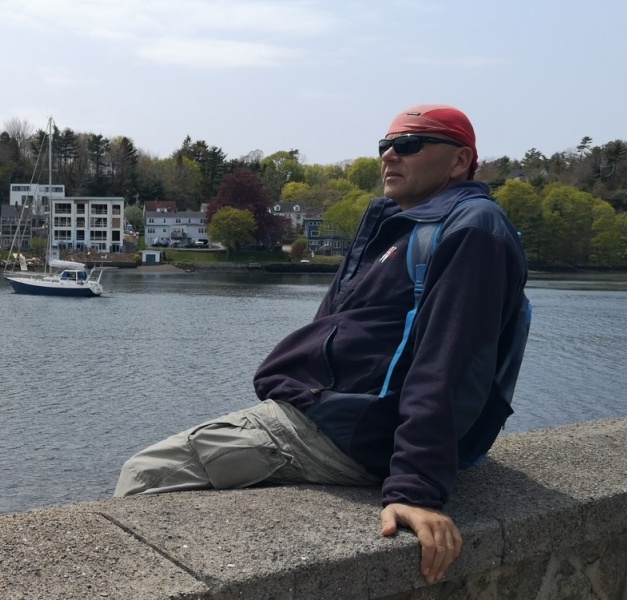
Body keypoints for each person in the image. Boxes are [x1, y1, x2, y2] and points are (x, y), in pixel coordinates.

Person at [114, 105, 529, 585]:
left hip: (338, 431)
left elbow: (447, 365)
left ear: (459, 161)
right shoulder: (400, 225)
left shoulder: (472, 229)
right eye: (385, 145)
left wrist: (415, 489)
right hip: (325, 412)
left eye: (410, 144)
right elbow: (334, 327)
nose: (389, 155)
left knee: (146, 474)